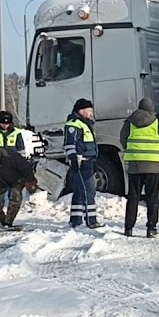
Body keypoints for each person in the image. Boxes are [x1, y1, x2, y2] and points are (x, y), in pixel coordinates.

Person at [119, 97, 159, 238]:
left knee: (133, 197)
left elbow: (123, 139)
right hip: (153, 165)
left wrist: (133, 150)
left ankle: (128, 228)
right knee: (152, 198)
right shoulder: (158, 123)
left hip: (135, 165)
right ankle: (151, 228)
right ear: (152, 109)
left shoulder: (130, 122)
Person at [64, 98, 101, 228]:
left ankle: (75, 220)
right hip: (81, 162)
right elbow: (69, 144)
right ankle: (91, 221)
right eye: (89, 110)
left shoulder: (86, 124)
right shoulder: (74, 124)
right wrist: (74, 159)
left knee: (79, 191)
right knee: (88, 191)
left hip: (88, 161)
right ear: (81, 111)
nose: (91, 113)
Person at [0, 148, 39, 227]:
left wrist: (30, 182)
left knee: (15, 194)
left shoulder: (11, 157)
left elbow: (26, 167)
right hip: (2, 178)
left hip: (19, 178)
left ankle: (8, 222)